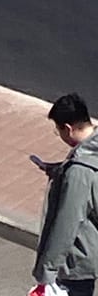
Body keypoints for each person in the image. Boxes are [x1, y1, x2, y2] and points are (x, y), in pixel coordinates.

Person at [32, 93, 98, 296]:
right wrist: (60, 171)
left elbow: (67, 223)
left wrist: (47, 271)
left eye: (58, 130)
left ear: (68, 128)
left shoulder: (79, 171)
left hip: (78, 263)